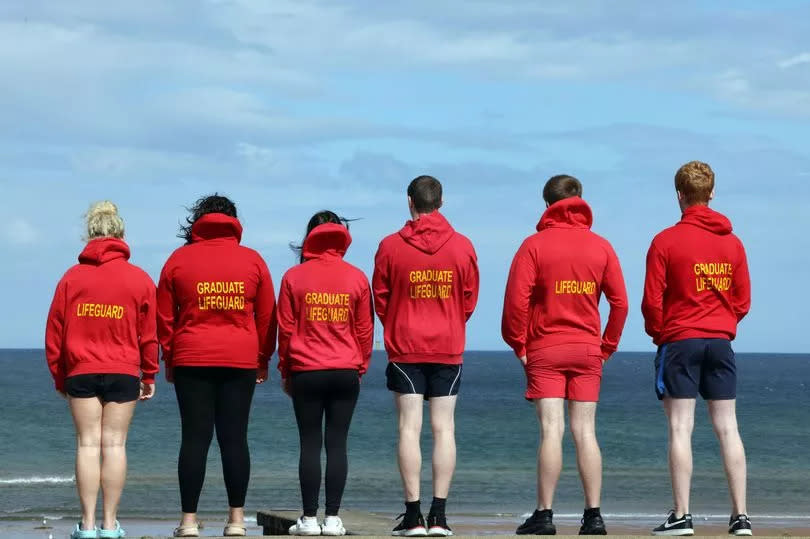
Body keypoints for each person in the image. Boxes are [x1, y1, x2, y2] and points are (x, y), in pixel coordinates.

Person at [501, 176, 629, 536]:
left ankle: (544, 515)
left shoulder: (534, 246)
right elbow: (620, 303)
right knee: (585, 431)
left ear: (546, 206)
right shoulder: (601, 247)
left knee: (551, 431)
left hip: (545, 346)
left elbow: (515, 303)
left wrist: (519, 345)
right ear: (580, 201)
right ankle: (594, 516)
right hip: (588, 348)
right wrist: (607, 346)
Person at [157, 194, 277, 538]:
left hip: (191, 356)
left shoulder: (179, 260)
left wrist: (169, 356)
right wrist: (262, 359)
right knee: (234, 439)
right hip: (240, 358)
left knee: (194, 439)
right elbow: (267, 317)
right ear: (235, 222)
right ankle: (237, 520)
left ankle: (189, 522)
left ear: (199, 221)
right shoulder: (252, 260)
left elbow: (164, 315)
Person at [642, 161, 752, 537]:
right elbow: (743, 300)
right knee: (728, 427)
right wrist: (723, 322)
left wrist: (661, 333)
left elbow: (652, 301)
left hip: (681, 339)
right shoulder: (732, 242)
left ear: (679, 195)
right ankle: (740, 517)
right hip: (721, 341)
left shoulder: (665, 241)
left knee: (680, 427)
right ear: (712, 193)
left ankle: (682, 515)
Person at [373, 175, 479, 537]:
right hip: (447, 345)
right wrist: (448, 320)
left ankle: (413, 515)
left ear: (409, 202)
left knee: (408, 428)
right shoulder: (462, 246)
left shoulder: (390, 246)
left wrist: (401, 321)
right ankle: (440, 516)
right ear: (441, 202)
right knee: (444, 428)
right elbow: (469, 299)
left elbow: (381, 300)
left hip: (405, 344)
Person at [45, 201, 158, 539]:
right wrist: (149, 375)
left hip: (80, 369)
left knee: (87, 445)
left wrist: (58, 374)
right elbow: (149, 334)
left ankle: (88, 524)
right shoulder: (138, 279)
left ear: (89, 234)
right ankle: (110, 525)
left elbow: (54, 332)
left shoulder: (71, 278)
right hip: (124, 370)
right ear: (121, 234)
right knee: (114, 444)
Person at [278, 211, 374, 536]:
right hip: (346, 370)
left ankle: (307, 519)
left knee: (309, 443)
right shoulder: (357, 277)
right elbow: (365, 331)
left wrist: (285, 371)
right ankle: (332, 519)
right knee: (337, 443)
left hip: (306, 370)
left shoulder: (294, 277)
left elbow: (286, 331)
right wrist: (359, 366)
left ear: (310, 237)